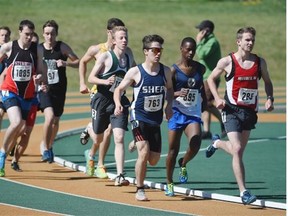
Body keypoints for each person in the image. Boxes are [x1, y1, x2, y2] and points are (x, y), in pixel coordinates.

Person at [206, 26, 274, 205]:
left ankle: (217, 143)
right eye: (247, 40)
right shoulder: (227, 62)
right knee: (236, 149)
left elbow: (267, 82)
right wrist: (218, 98)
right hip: (231, 110)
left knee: (238, 151)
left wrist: (269, 98)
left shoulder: (260, 63)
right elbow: (210, 79)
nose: (250, 43)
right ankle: (244, 192)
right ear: (239, 42)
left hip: (249, 112)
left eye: (252, 40)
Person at [114, 34, 174, 201]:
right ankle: (140, 189)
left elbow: (169, 90)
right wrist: (118, 104)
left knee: (153, 160)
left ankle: (136, 141)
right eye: (155, 50)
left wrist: (169, 105)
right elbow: (118, 90)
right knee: (144, 152)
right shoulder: (136, 72)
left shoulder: (165, 71)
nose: (158, 53)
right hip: (138, 117)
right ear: (146, 51)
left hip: (155, 119)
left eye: (160, 50)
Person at [79, 18, 136, 179]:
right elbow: (90, 74)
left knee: (115, 134)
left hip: (117, 99)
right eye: (121, 38)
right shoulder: (102, 53)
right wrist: (101, 81)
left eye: (126, 37)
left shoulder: (129, 54)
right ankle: (90, 128)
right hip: (101, 97)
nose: (124, 40)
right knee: (98, 136)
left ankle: (112, 170)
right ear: (111, 36)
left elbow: (134, 72)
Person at [0, 20, 45, 177]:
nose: (29, 37)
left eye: (31, 34)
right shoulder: (9, 47)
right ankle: (2, 154)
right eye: (26, 34)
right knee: (16, 122)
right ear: (19, 32)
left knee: (22, 129)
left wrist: (39, 77)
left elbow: (40, 70)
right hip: (10, 90)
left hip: (27, 95)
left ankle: (8, 155)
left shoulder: (37, 49)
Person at [165, 37, 206, 196]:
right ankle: (169, 182)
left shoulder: (200, 68)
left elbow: (201, 86)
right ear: (181, 49)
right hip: (177, 113)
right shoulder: (173, 70)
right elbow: (167, 92)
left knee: (196, 143)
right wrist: (176, 93)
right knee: (172, 151)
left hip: (193, 114)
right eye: (187, 49)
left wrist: (204, 100)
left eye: (193, 50)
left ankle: (184, 162)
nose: (190, 53)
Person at [39, 20, 79, 163]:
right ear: (43, 34)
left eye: (52, 34)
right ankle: (45, 148)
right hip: (44, 89)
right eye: (47, 34)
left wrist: (66, 63)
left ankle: (49, 146)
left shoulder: (62, 47)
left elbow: (79, 62)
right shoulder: (38, 49)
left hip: (60, 89)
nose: (50, 37)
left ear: (56, 34)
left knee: (55, 120)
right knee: (49, 117)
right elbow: (31, 67)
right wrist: (38, 79)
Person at [10, 31, 40, 171]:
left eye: (34, 43)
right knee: (19, 127)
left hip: (33, 99)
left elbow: (44, 75)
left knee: (27, 131)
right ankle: (8, 147)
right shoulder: (17, 54)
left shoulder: (38, 57)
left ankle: (15, 161)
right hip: (17, 96)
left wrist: (42, 83)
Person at [195, 20, 225, 139]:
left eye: (200, 29)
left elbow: (201, 54)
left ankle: (224, 121)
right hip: (204, 76)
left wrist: (198, 41)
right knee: (204, 104)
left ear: (206, 30)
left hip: (210, 77)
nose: (199, 32)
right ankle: (206, 130)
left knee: (206, 103)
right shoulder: (206, 41)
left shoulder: (212, 42)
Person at [0, 26, 11, 131]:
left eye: (6, 35)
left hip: (9, 88)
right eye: (2, 35)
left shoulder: (12, 52)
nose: (4, 37)